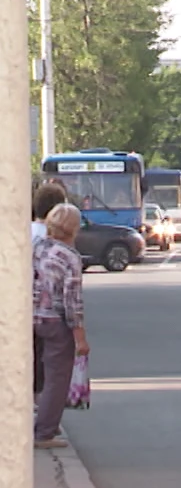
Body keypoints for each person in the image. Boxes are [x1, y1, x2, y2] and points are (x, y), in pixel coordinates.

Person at [32, 203, 88, 448]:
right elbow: (72, 302)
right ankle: (45, 432)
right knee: (57, 377)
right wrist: (80, 338)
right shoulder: (70, 257)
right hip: (56, 322)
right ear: (73, 229)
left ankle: (40, 424)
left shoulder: (38, 248)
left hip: (32, 317)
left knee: (36, 373)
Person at [29, 181, 66, 397]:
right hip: (49, 310)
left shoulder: (23, 232)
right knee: (50, 363)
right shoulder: (54, 239)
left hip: (23, 306)